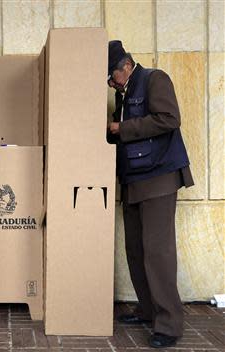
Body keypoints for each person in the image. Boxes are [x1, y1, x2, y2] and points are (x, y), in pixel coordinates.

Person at [107, 40, 194, 348]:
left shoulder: (155, 79)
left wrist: (122, 128)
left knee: (158, 252)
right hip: (134, 179)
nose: (110, 83)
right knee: (136, 248)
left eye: (111, 77)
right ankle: (147, 309)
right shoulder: (126, 92)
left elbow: (169, 118)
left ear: (126, 66)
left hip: (158, 177)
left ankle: (169, 324)